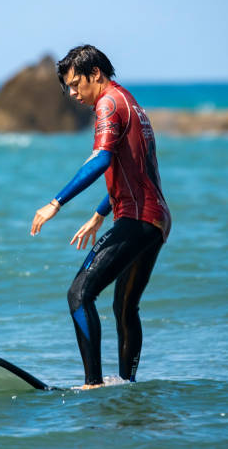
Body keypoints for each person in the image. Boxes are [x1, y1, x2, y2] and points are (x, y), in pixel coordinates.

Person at [31, 45, 171, 389]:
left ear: (96, 74)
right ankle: (127, 385)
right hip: (154, 220)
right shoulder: (131, 103)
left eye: (77, 84)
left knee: (79, 294)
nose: (74, 94)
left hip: (136, 219)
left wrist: (56, 202)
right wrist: (98, 214)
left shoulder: (108, 103)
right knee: (125, 308)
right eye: (69, 88)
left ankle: (92, 384)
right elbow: (136, 171)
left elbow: (101, 160)